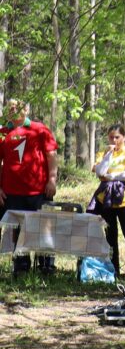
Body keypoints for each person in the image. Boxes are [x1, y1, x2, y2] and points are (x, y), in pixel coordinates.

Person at [0, 99, 59, 275]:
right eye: (10, 108)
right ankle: (21, 267)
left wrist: (52, 179)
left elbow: (51, 155)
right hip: (11, 192)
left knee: (43, 229)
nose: (13, 110)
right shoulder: (3, 133)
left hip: (38, 190)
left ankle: (46, 266)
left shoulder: (39, 129)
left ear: (26, 109)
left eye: (17, 107)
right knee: (18, 230)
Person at [88, 124, 125, 275]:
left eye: (117, 137)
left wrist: (110, 176)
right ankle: (114, 271)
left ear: (124, 137)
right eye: (111, 137)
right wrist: (108, 156)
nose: (114, 140)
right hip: (106, 200)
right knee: (110, 237)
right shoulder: (103, 153)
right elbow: (99, 172)